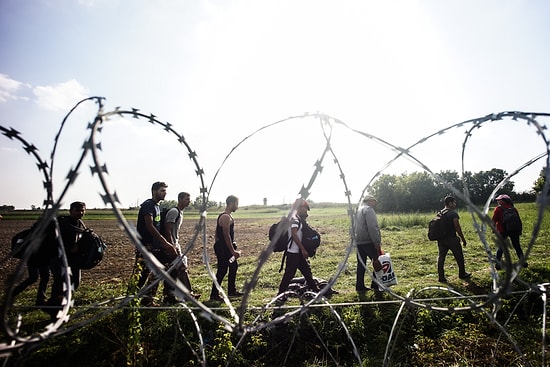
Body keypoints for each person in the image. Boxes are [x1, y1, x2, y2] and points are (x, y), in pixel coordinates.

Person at [134, 181, 178, 306]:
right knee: (141, 275)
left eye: (165, 191)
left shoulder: (157, 206)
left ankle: (149, 299)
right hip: (145, 246)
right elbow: (149, 226)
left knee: (161, 270)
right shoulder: (148, 205)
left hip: (155, 247)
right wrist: (165, 243)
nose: (165, 193)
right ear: (154, 191)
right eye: (162, 190)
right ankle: (130, 301)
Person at [44, 201, 87, 318]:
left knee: (75, 282)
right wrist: (71, 248)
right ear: (71, 211)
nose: (81, 213)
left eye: (82, 210)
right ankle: (56, 312)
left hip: (73, 259)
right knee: (60, 284)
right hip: (58, 258)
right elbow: (57, 242)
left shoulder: (79, 223)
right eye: (77, 210)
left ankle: (54, 305)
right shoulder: (63, 223)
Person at [277, 198, 320, 299]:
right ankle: (280, 294)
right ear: (300, 207)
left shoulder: (296, 218)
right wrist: (303, 249)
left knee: (307, 272)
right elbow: (294, 234)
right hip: (293, 252)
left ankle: (315, 290)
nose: (306, 211)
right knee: (289, 274)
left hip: (297, 252)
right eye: (305, 208)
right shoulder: (295, 219)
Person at [163, 191, 200, 300]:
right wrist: (172, 247)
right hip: (172, 245)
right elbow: (167, 230)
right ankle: (188, 294)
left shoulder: (180, 212)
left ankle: (169, 295)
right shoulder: (174, 212)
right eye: (186, 199)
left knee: (172, 270)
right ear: (180, 199)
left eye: (189, 199)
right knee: (182, 268)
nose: (189, 201)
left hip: (175, 244)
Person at [209, 195, 243, 302]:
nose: (237, 207)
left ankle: (231, 291)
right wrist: (232, 251)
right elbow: (226, 235)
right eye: (236, 204)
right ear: (231, 203)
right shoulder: (225, 217)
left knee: (233, 266)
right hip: (224, 249)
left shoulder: (227, 216)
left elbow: (217, 234)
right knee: (222, 270)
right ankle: (214, 294)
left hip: (225, 247)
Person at [436, 196, 471, 282]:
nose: (455, 204)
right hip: (452, 238)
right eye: (454, 202)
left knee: (441, 258)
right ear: (450, 203)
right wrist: (463, 239)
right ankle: (462, 274)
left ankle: (441, 277)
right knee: (459, 256)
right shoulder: (453, 213)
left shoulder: (440, 213)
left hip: (441, 239)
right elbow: (457, 227)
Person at [354, 195, 383, 293]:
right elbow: (372, 227)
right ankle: (376, 285)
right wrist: (377, 242)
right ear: (370, 201)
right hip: (368, 241)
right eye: (374, 201)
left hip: (358, 241)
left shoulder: (357, 210)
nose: (375, 203)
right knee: (377, 261)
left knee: (361, 264)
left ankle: (360, 286)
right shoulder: (369, 210)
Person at [492, 194, 527, 269]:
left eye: (499, 200)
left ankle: (498, 264)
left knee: (501, 247)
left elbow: (494, 220)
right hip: (514, 230)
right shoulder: (513, 209)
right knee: (517, 246)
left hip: (502, 230)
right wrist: (519, 230)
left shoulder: (498, 209)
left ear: (503, 201)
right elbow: (518, 220)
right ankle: (523, 262)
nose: (497, 201)